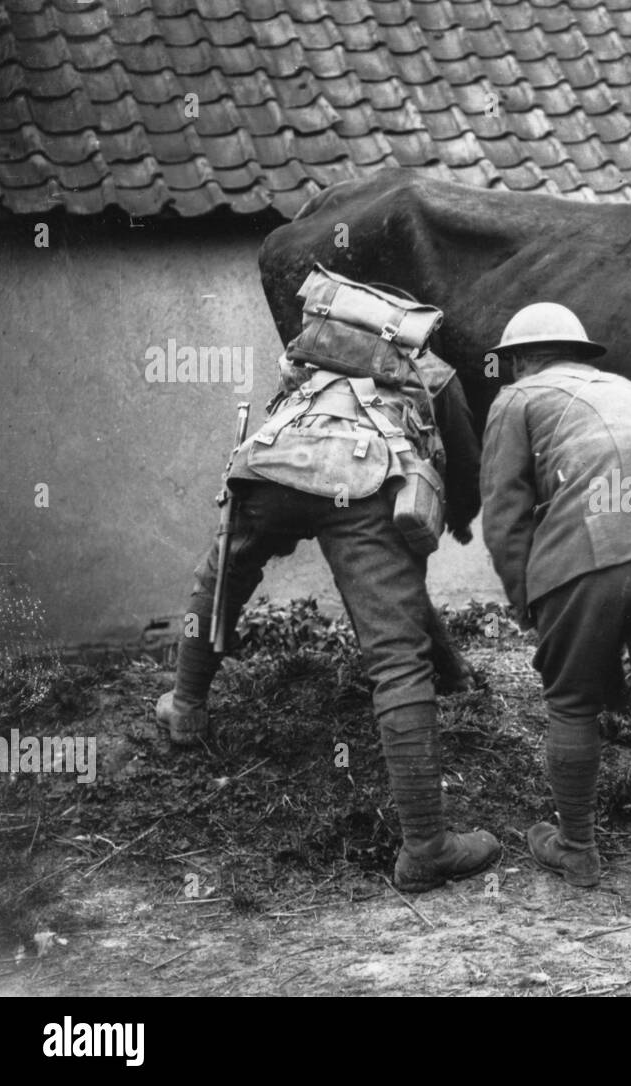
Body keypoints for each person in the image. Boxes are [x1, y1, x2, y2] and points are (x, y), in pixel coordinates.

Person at [156, 335, 499, 895]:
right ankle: (427, 848)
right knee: (396, 658)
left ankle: (186, 708)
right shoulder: (428, 364)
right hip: (363, 480)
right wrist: (455, 514)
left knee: (221, 577)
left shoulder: (315, 345)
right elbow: (463, 458)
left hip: (273, 464)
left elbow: (282, 403)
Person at [480, 302, 631, 915]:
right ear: (577, 352)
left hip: (586, 552)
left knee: (572, 702)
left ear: (520, 360)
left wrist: (526, 600)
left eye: (509, 364)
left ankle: (577, 848)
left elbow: (505, 518)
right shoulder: (630, 390)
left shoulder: (516, 399)